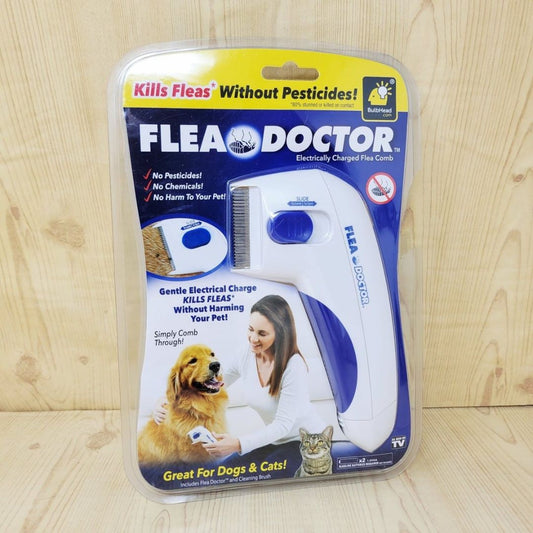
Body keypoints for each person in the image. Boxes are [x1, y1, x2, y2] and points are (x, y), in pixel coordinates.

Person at [152, 294, 326, 463]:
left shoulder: (294, 365)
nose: (253, 339)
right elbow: (215, 383)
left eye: (262, 333)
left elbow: (282, 425)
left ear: (281, 334)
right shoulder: (247, 354)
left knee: (264, 473)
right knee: (224, 470)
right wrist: (165, 399)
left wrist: (237, 444)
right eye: (250, 329)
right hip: (274, 441)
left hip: (308, 443)